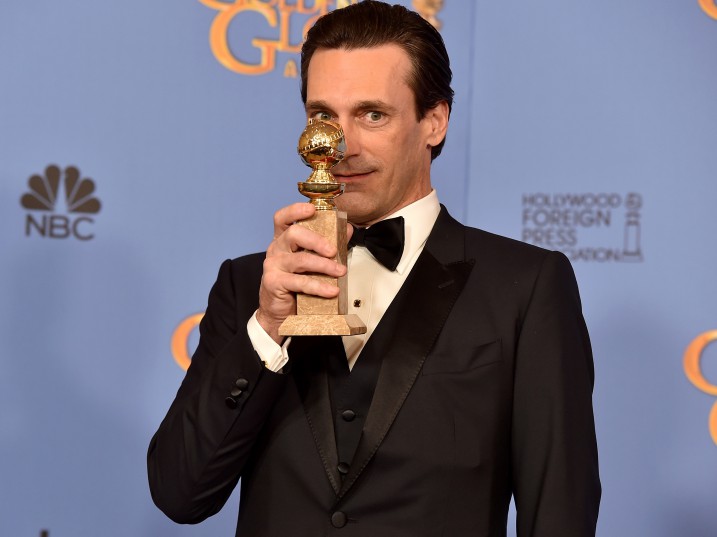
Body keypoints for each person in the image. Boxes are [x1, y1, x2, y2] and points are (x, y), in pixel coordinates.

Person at [147, 2, 600, 535]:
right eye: (323, 117)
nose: (341, 147)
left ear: (434, 121)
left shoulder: (523, 287)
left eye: (373, 115)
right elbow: (180, 492)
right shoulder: (249, 285)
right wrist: (268, 330)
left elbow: (559, 511)